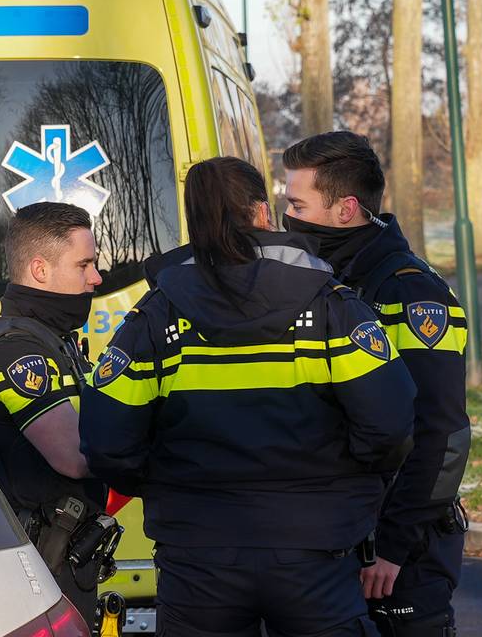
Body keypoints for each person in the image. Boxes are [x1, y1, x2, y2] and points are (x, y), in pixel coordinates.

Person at [80, 157, 417, 637]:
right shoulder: (331, 305)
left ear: (193, 222)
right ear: (262, 212)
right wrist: (340, 480)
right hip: (315, 548)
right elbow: (389, 425)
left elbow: (108, 441)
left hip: (197, 552)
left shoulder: (155, 318)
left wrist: (168, 483)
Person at [282, 131, 471, 637]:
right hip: (340, 538)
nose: (288, 218)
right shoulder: (327, 282)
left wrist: (391, 546)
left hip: (399, 554)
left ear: (345, 209)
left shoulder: (408, 292)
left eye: (298, 204)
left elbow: (441, 434)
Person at [0, 201, 110, 624]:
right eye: (83, 264)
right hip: (44, 564)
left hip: (66, 554)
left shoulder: (54, 339)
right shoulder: (17, 349)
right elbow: (74, 455)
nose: (96, 277)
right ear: (40, 270)